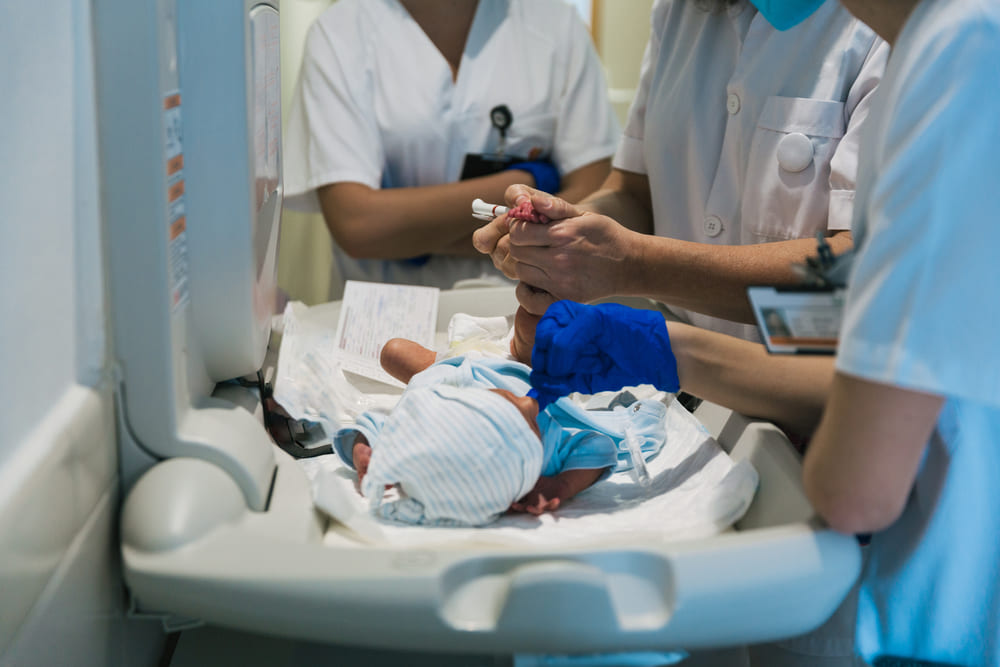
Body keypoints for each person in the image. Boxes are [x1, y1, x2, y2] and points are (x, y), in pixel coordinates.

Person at [527, 0, 1000, 662]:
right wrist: (664, 341)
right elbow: (861, 297)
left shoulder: (959, 52)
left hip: (939, 590)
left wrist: (646, 292)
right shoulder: (938, 43)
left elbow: (855, 477)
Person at [474, 0, 888, 342]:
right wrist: (561, 233)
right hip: (684, 377)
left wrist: (633, 264)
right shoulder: (676, 13)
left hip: (807, 394)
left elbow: (857, 275)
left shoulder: (883, 28)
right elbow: (635, 192)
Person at [283, 0, 620, 290]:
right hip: (382, 315)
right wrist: (532, 181)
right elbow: (357, 225)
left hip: (523, 311)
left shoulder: (557, 28)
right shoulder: (340, 32)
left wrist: (408, 237)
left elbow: (592, 204)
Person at [332, 322, 669, 526]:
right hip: (516, 365)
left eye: (508, 403)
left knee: (393, 351)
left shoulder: (424, 421)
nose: (528, 403)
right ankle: (521, 338)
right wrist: (562, 486)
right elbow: (600, 446)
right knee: (541, 327)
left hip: (445, 370)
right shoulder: (545, 459)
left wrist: (363, 449)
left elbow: (375, 423)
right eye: (532, 424)